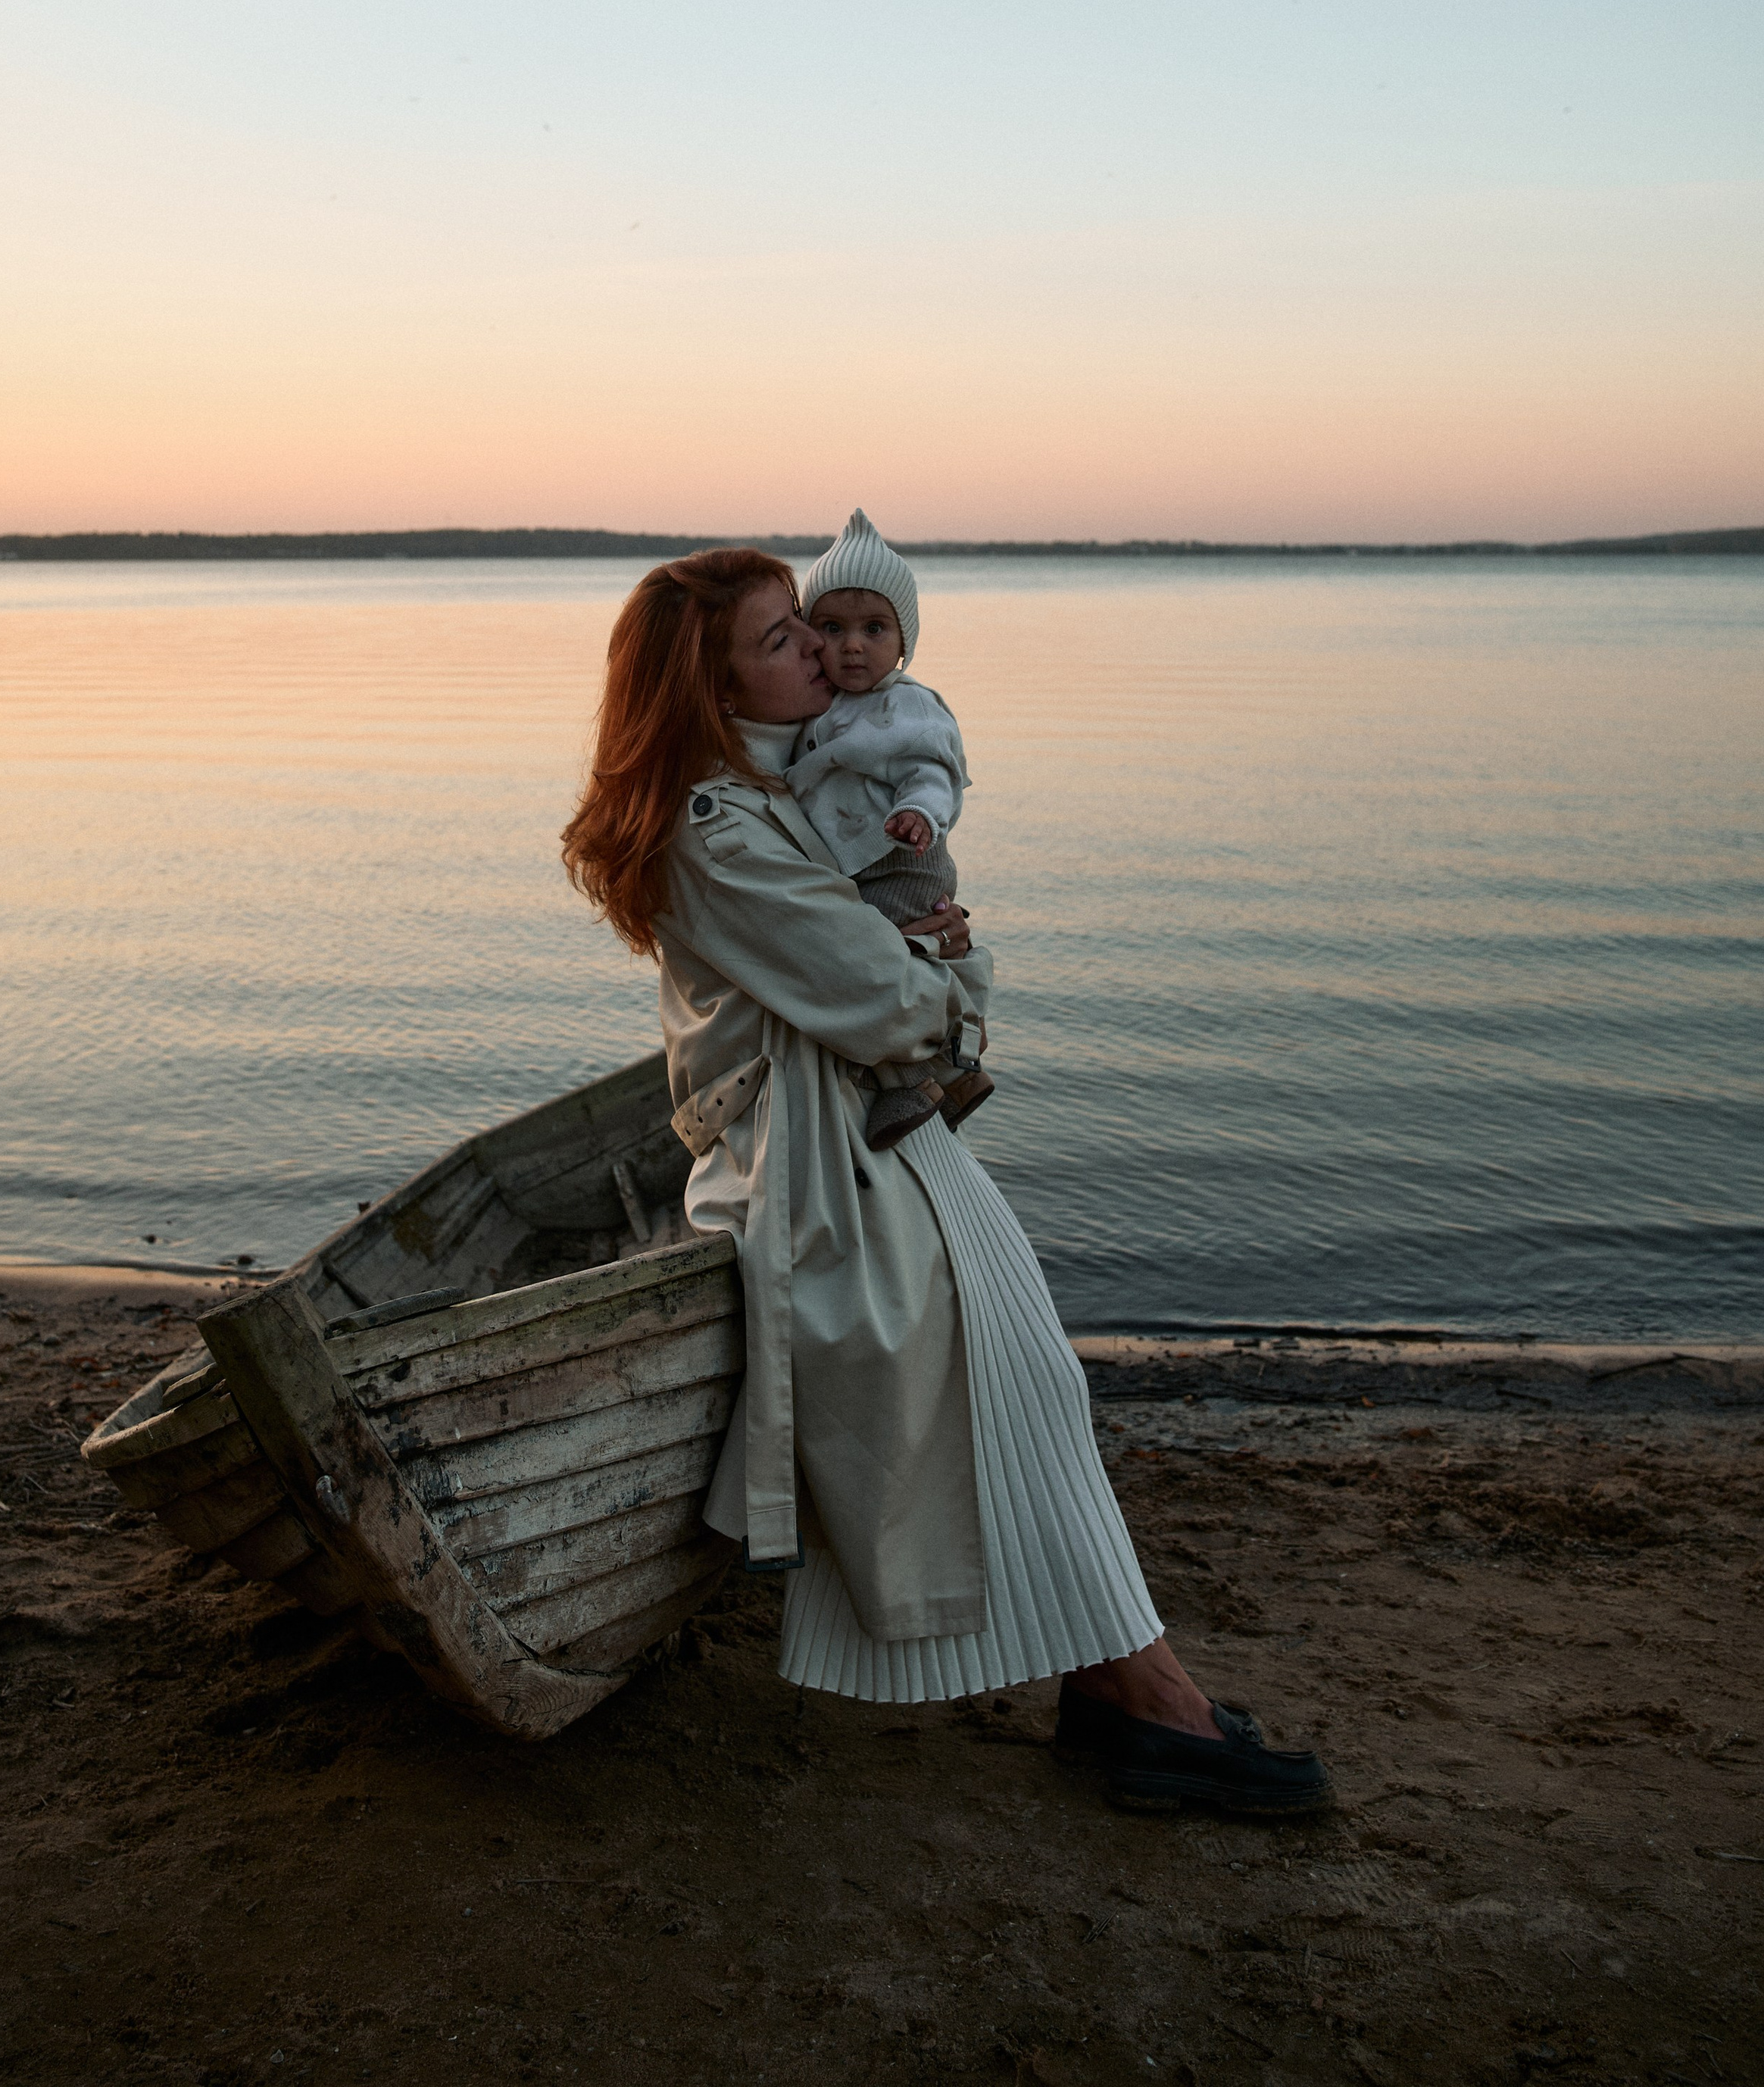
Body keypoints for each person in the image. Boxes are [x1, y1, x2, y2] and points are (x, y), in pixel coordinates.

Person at [561, 546, 1330, 1815]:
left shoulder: (783, 796)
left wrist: (934, 974)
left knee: (1034, 1389)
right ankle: (1145, 1699)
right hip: (821, 1167)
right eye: (780, 642)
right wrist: (954, 983)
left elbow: (900, 968)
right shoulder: (718, 829)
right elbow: (887, 1005)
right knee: (1018, 1386)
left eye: (812, 629)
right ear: (711, 692)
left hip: (875, 1138)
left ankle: (1120, 1687)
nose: (820, 651)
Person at [786, 508, 993, 1147]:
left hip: (904, 857)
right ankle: (954, 1076)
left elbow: (935, 771)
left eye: (874, 628)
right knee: (883, 958)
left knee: (892, 958)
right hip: (861, 864)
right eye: (833, 627)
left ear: (903, 642)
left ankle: (917, 1081)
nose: (853, 644)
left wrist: (921, 815)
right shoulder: (820, 708)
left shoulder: (907, 705)